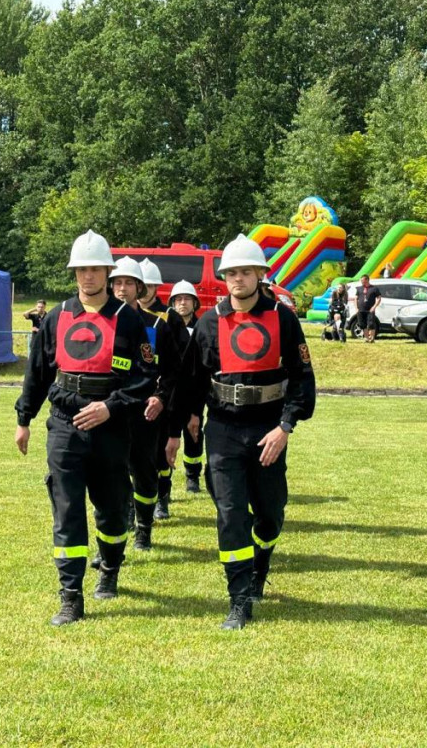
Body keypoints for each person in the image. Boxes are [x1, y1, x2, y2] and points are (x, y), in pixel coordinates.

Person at [166, 234, 316, 630]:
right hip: (224, 429)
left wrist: (285, 427)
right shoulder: (209, 322)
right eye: (231, 273)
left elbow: (302, 379)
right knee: (230, 514)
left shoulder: (283, 318)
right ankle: (238, 599)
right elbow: (190, 380)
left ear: (260, 275)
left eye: (245, 272)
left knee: (269, 513)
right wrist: (180, 426)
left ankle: (260, 566)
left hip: (268, 430)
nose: (238, 279)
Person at [14, 229, 152, 626]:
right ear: (74, 273)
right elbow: (37, 373)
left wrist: (110, 408)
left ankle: (109, 570)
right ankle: (70, 595)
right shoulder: (57, 316)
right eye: (81, 270)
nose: (88, 276)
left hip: (110, 428)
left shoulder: (129, 321)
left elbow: (145, 377)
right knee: (68, 509)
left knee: (110, 509)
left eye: (95, 269)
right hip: (63, 424)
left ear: (108, 271)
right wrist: (24, 419)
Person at [108, 256, 180, 550]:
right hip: (110, 411)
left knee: (144, 472)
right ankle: (123, 517)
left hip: (146, 414)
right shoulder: (103, 323)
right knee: (113, 471)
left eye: (129, 283)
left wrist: (160, 398)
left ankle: (144, 528)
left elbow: (173, 371)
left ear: (139, 288)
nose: (122, 289)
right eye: (118, 283)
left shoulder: (157, 325)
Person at [136, 257, 187, 518]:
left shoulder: (170, 319)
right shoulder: (123, 316)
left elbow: (179, 362)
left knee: (161, 454)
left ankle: (162, 498)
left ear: (155, 288)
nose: (143, 290)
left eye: (148, 285)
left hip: (165, 395)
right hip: (136, 398)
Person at [167, 279, 205, 494]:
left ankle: (192, 476)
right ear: (172, 303)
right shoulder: (164, 327)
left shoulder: (202, 327)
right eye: (179, 299)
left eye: (187, 299)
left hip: (193, 392)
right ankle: (165, 480)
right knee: (166, 438)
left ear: (195, 303)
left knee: (194, 434)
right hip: (170, 393)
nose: (183, 303)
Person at [355, 275, 382, 342]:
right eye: (361, 280)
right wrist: (356, 308)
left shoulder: (374, 288)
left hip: (370, 309)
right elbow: (355, 298)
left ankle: (372, 338)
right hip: (361, 309)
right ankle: (366, 338)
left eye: (362, 280)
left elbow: (379, 298)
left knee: (371, 324)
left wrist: (374, 307)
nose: (361, 281)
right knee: (362, 324)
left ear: (367, 280)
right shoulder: (359, 288)